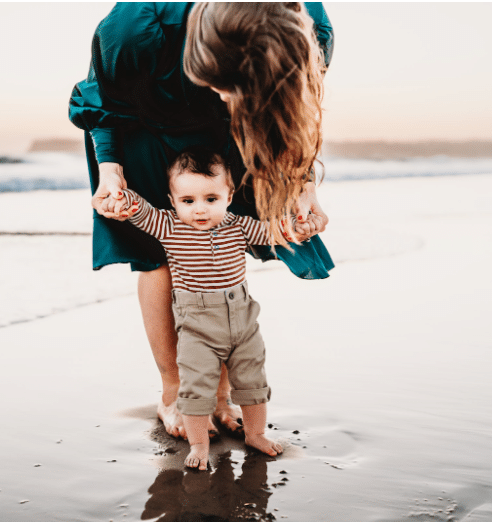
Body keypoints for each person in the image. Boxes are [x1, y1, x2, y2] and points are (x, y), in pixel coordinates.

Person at [69, 3, 334, 439]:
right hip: (144, 119)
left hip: (245, 124)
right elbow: (105, 98)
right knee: (156, 252)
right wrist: (111, 170)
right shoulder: (136, 28)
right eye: (219, 84)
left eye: (235, 87)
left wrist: (303, 186)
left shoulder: (309, 29)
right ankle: (175, 390)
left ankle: (217, 394)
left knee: (223, 234)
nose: (225, 96)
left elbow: (295, 107)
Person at [113, 148, 285, 469]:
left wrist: (296, 227)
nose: (200, 210)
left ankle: (256, 434)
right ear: (173, 200)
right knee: (194, 389)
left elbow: (271, 233)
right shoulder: (170, 226)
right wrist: (124, 200)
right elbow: (143, 212)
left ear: (229, 196)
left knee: (252, 382)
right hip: (196, 325)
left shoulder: (239, 225)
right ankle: (199, 446)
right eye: (188, 201)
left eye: (211, 199)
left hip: (243, 319)